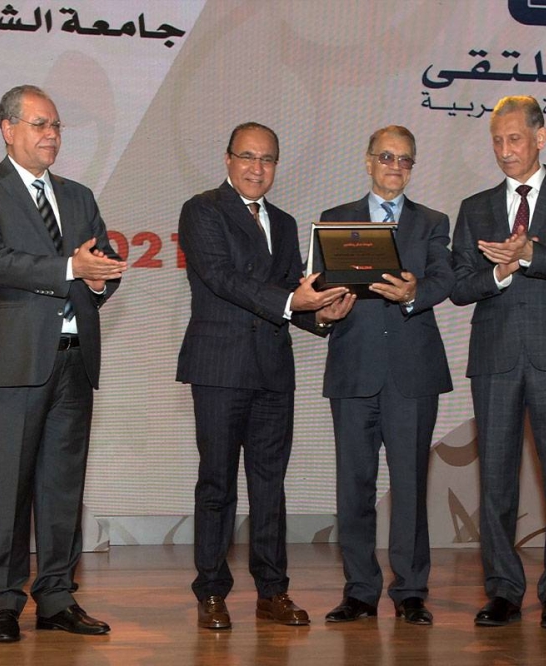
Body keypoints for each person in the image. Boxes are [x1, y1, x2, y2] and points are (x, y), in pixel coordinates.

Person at [0, 84, 128, 643]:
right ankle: (4, 602)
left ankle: (56, 598)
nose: (51, 135)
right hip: (9, 363)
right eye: (39, 124)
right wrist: (72, 269)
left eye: (56, 126)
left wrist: (99, 280)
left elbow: (100, 266)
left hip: (73, 361)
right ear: (7, 129)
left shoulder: (78, 196)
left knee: (62, 487)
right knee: (6, 488)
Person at [176, 122, 352, 630]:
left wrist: (321, 315)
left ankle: (273, 592)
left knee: (270, 487)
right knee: (217, 484)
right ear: (228, 159)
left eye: (267, 159)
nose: (257, 168)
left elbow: (292, 294)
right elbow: (222, 279)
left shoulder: (286, 222)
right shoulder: (203, 210)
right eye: (247, 157)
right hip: (220, 367)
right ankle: (212, 591)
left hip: (273, 370)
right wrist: (293, 301)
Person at [450, 95, 546, 630]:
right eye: (497, 141)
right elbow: (460, 286)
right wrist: (498, 273)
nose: (504, 150)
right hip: (495, 355)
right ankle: (503, 591)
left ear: (540, 138)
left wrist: (529, 254)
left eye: (514, 139)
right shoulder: (475, 207)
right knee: (495, 479)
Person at [316, 126, 455, 626]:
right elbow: (318, 288)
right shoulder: (336, 221)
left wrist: (415, 293)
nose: (396, 166)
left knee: (410, 485)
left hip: (412, 373)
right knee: (353, 486)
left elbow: (446, 278)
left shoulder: (432, 222)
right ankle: (359, 591)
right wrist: (322, 310)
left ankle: (411, 591)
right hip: (353, 370)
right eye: (387, 157)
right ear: (368, 161)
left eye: (405, 159)